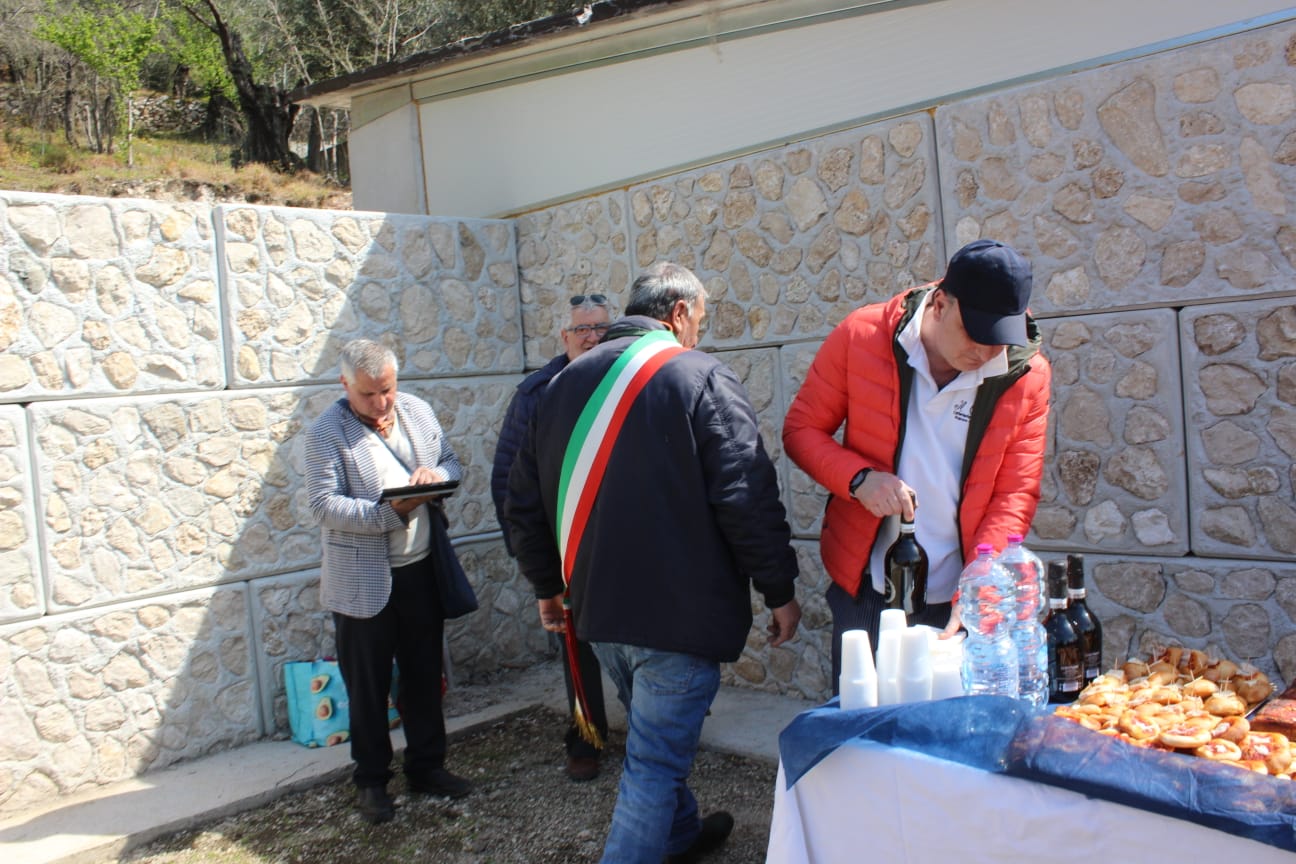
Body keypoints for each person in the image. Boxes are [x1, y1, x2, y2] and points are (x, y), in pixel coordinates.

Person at [506, 262, 801, 864]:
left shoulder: (558, 386)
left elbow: (524, 503)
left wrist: (546, 586)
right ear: (680, 313)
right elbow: (745, 493)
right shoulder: (698, 374)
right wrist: (779, 589)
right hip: (677, 618)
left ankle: (679, 835)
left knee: (653, 749)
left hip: (598, 612)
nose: (697, 333)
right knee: (652, 766)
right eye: (699, 320)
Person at [782, 239, 1052, 689]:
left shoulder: (1027, 374)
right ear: (940, 304)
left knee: (955, 727)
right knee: (863, 722)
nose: (986, 352)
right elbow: (802, 431)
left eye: (1000, 337)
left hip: (964, 596)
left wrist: (982, 584)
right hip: (869, 587)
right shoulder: (862, 335)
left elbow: (1015, 491)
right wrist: (859, 480)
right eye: (975, 333)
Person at [305, 338, 472, 824]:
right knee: (368, 687)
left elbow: (452, 462)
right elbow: (323, 504)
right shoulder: (326, 432)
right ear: (345, 385)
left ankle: (427, 767)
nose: (381, 402)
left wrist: (434, 475)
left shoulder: (417, 411)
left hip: (421, 571)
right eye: (369, 394)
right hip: (363, 583)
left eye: (388, 390)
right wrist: (390, 512)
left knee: (423, 676)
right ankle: (372, 782)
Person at [490, 294, 614, 782]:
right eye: (582, 329)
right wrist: (532, 562)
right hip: (567, 544)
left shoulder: (627, 382)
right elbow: (509, 480)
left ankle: (654, 733)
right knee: (576, 647)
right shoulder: (538, 392)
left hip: (622, 537)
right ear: (564, 337)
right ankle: (586, 738)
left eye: (601, 328)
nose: (593, 338)